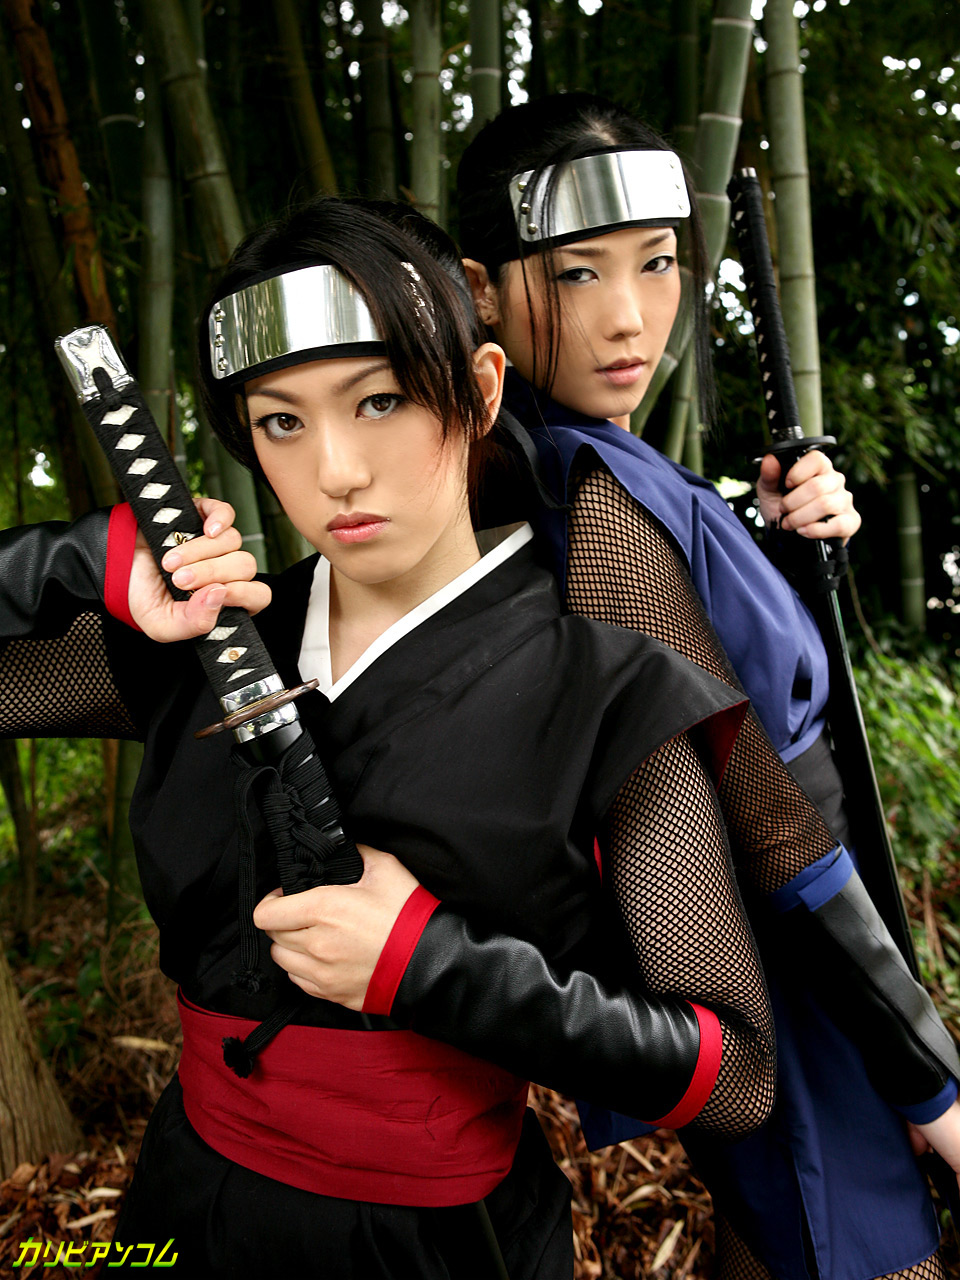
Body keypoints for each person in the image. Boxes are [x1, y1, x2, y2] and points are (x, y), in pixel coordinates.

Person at [0, 197, 785, 1278]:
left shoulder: (603, 691)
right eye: (282, 422)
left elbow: (736, 1074)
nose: (335, 470)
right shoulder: (209, 639)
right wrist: (72, 564)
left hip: (443, 1245)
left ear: (481, 390)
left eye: (381, 400)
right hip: (180, 1208)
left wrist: (433, 965)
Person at [445, 91, 957, 1279]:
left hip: (812, 966)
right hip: (798, 975)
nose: (630, 315)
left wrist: (771, 546)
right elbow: (763, 810)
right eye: (576, 273)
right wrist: (930, 1081)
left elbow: (709, 676)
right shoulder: (595, 501)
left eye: (659, 261)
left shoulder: (599, 466)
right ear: (482, 291)